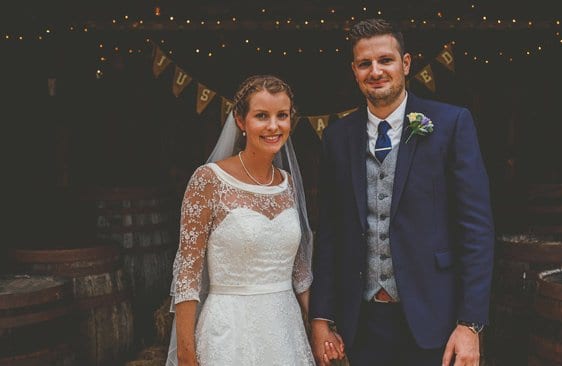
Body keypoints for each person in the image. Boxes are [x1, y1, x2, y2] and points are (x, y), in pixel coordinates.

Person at [309, 18, 495, 366]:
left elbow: (476, 231)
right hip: (362, 322)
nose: (375, 71)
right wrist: (321, 317)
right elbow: (331, 232)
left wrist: (470, 324)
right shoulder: (337, 137)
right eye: (365, 63)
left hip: (434, 319)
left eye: (385, 60)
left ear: (405, 64)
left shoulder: (451, 124)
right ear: (354, 70)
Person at [166, 75, 315, 365]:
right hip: (229, 331)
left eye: (281, 116)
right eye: (262, 116)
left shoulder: (287, 183)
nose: (274, 126)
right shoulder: (208, 180)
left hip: (285, 331)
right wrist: (186, 354)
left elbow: (299, 270)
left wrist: (320, 325)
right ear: (240, 120)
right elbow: (188, 274)